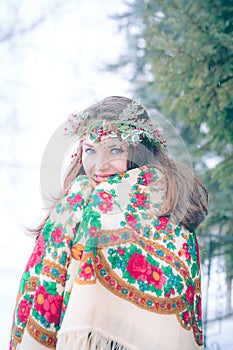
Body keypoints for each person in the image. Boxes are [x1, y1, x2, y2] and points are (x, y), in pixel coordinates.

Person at [10, 96, 208, 350]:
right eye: (90, 150)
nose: (99, 165)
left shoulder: (165, 206)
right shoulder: (74, 204)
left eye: (115, 150)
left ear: (138, 150)